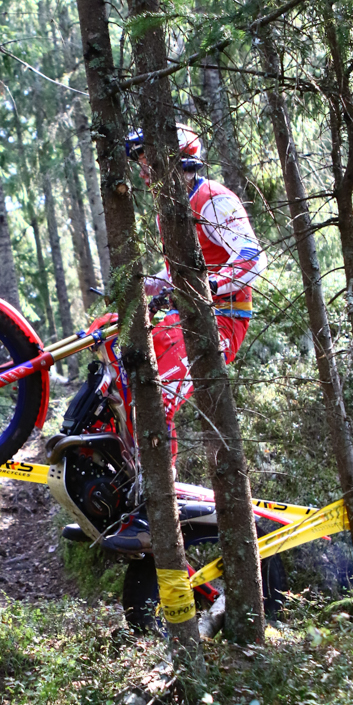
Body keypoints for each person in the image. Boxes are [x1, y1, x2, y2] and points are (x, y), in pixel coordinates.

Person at [105, 124, 265, 552]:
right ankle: (134, 489)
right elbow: (179, 270)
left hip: (222, 319)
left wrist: (207, 288)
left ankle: (157, 508)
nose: (143, 171)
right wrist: (142, 286)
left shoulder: (212, 197)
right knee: (123, 371)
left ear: (178, 159)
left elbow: (252, 256)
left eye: (149, 161)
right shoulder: (171, 207)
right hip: (186, 315)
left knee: (156, 395)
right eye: (140, 162)